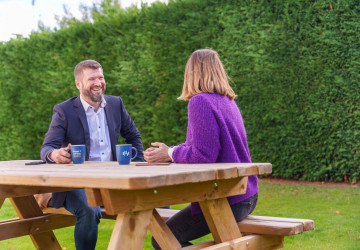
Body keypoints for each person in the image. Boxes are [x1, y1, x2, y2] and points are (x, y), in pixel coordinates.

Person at [144, 49, 258, 249]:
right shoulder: (228, 100)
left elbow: (203, 156)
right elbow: (202, 146)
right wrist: (169, 152)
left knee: (162, 239)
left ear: (192, 72)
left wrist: (170, 154)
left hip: (227, 199)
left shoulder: (200, 101)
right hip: (245, 194)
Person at [40, 59, 144, 250]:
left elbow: (133, 136)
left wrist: (138, 164)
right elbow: (47, 148)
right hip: (76, 182)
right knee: (89, 209)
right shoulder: (64, 110)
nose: (98, 83)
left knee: (155, 200)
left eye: (101, 77)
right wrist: (55, 154)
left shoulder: (116, 103)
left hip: (112, 180)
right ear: (78, 84)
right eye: (92, 79)